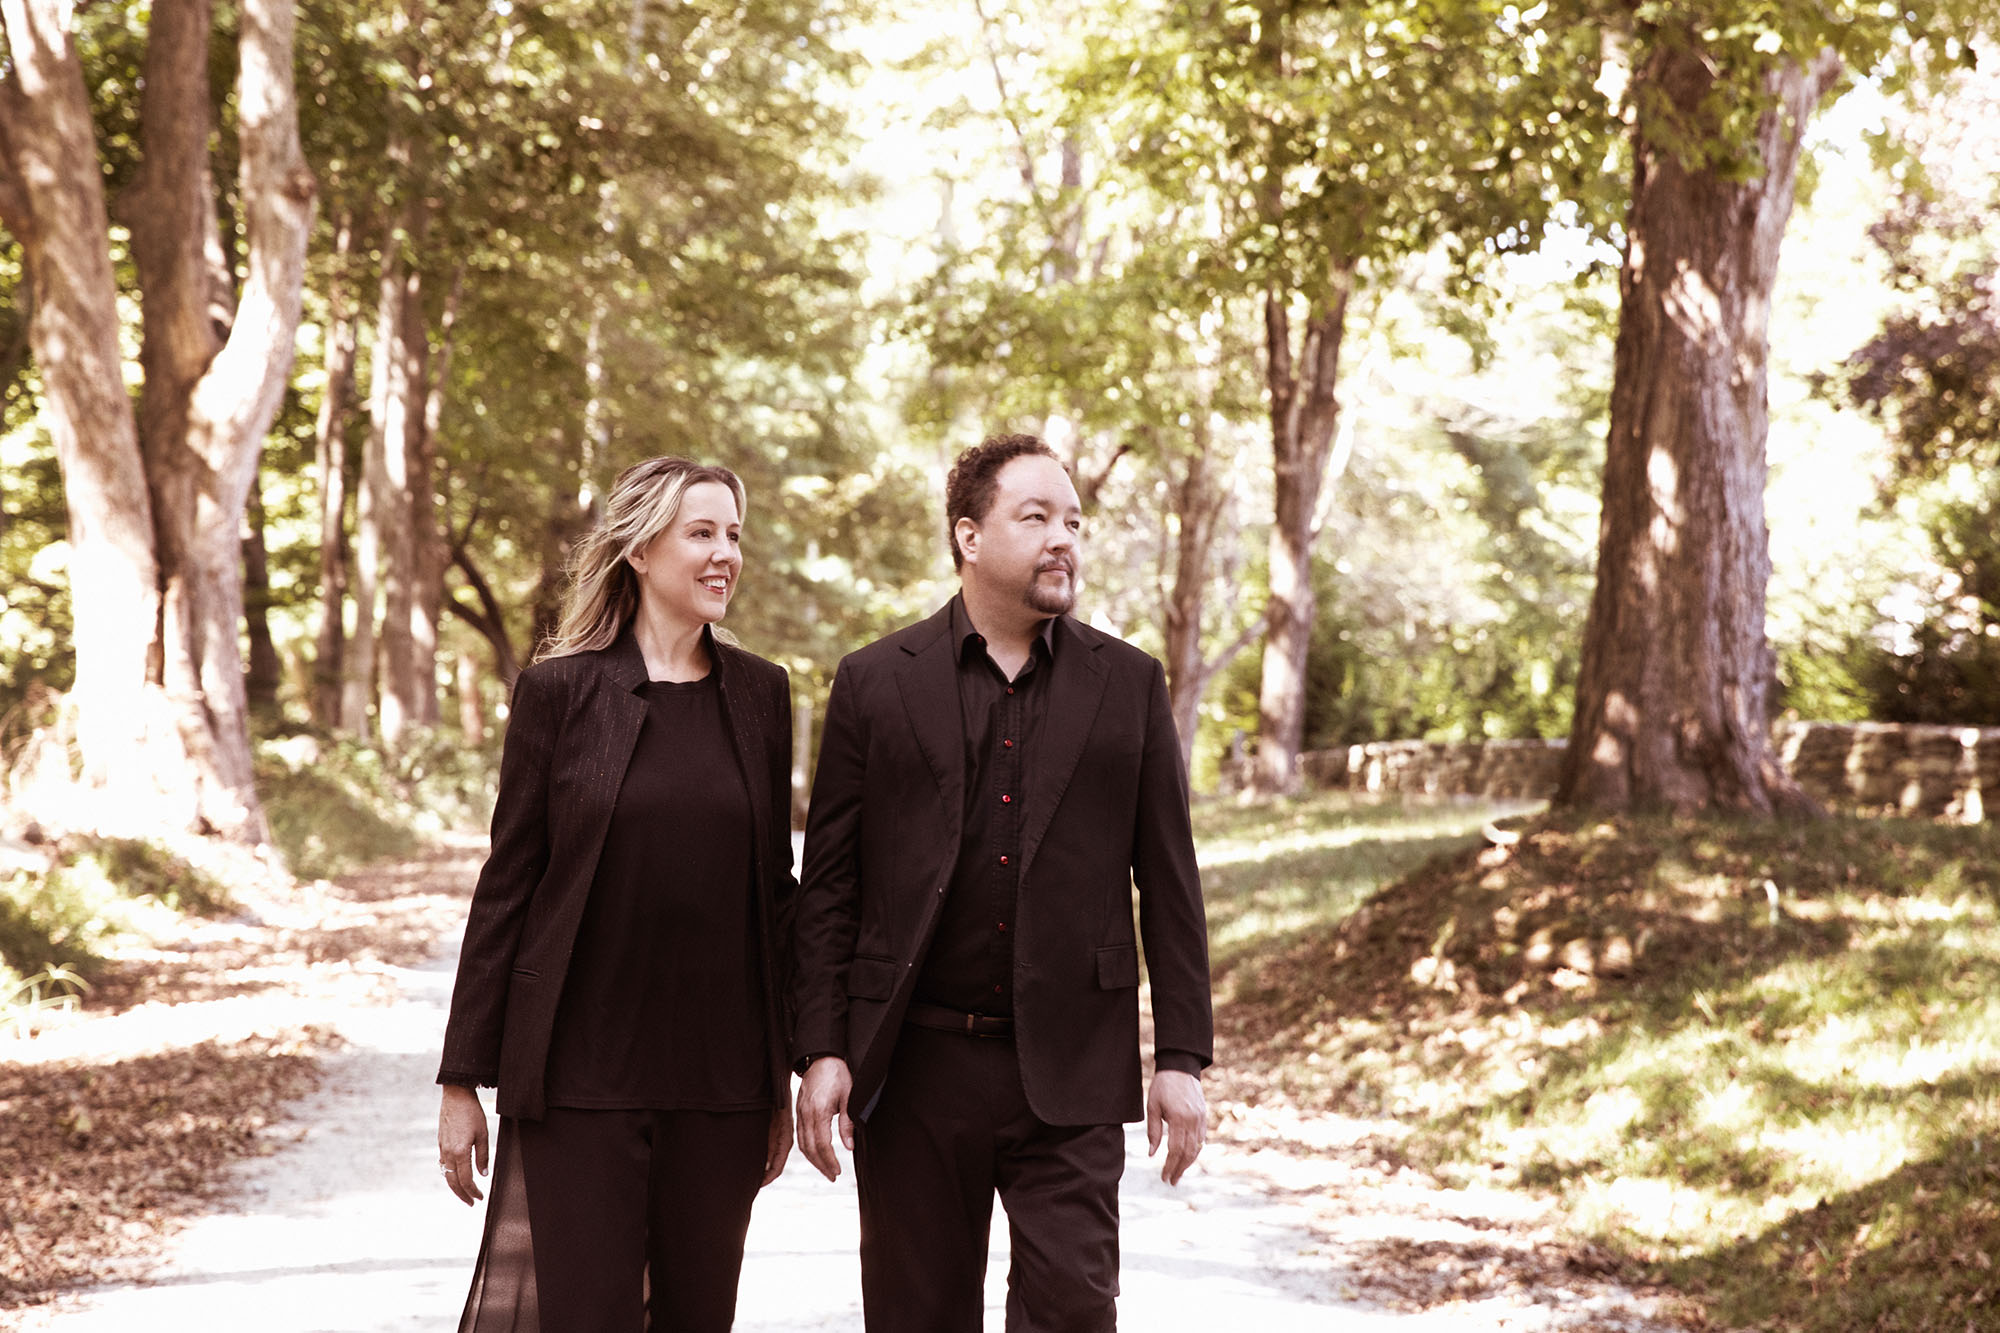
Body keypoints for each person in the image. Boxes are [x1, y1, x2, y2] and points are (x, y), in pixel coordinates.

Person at [791, 433, 1214, 1332]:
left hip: (1072, 1067)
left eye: (1073, 521)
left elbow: (1170, 885)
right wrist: (822, 1046)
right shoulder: (874, 682)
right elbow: (829, 886)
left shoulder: (1129, 683)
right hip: (913, 1069)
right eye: (1036, 517)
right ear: (969, 537)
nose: (1064, 538)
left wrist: (1180, 1058)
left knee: (1072, 1313)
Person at [434, 456, 796, 1333]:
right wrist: (460, 1078)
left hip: (721, 1082)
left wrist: (788, 1063)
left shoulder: (761, 693)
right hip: (578, 1075)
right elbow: (509, 884)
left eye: (733, 535)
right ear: (638, 549)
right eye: (701, 532)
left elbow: (773, 891)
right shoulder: (558, 692)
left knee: (697, 1316)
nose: (725, 554)